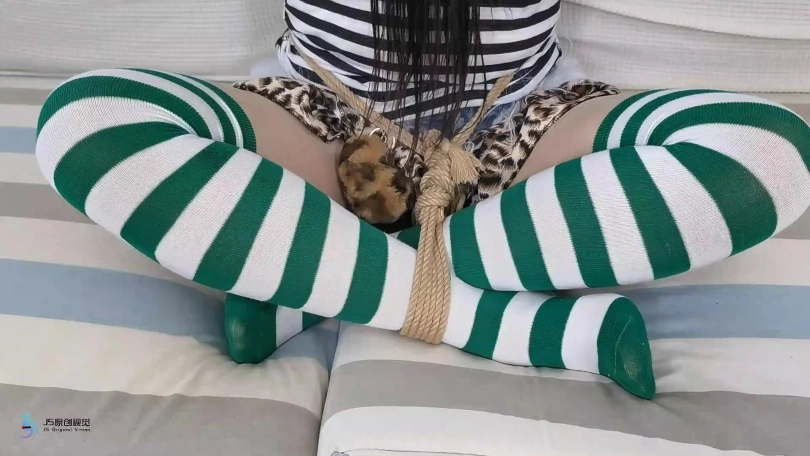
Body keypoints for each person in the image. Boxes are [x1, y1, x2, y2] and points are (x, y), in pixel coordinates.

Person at [35, 0, 810, 383]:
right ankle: (506, 327)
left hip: (520, 127)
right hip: (325, 125)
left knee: (766, 154)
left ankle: (316, 286)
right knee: (89, 122)